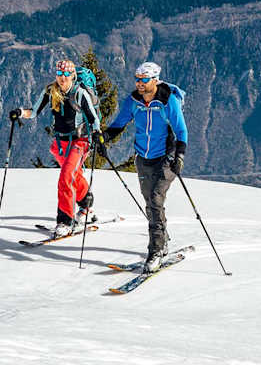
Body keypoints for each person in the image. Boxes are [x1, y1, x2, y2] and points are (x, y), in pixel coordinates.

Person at [95, 60, 188, 272]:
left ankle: (155, 251)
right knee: (150, 203)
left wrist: (180, 156)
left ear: (155, 80)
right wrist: (104, 137)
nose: (139, 83)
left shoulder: (168, 101)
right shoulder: (133, 101)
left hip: (166, 157)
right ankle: (162, 239)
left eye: (144, 79)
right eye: (137, 79)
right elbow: (119, 124)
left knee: (155, 200)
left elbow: (181, 130)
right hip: (143, 158)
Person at [12, 58, 101, 237]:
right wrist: (20, 113)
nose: (62, 77)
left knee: (66, 177)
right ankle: (86, 206)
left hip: (80, 141)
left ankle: (65, 221)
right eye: (59, 73)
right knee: (74, 175)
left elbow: (94, 118)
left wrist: (98, 135)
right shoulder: (50, 91)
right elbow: (34, 112)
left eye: (66, 74)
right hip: (61, 143)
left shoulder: (80, 93)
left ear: (73, 75)